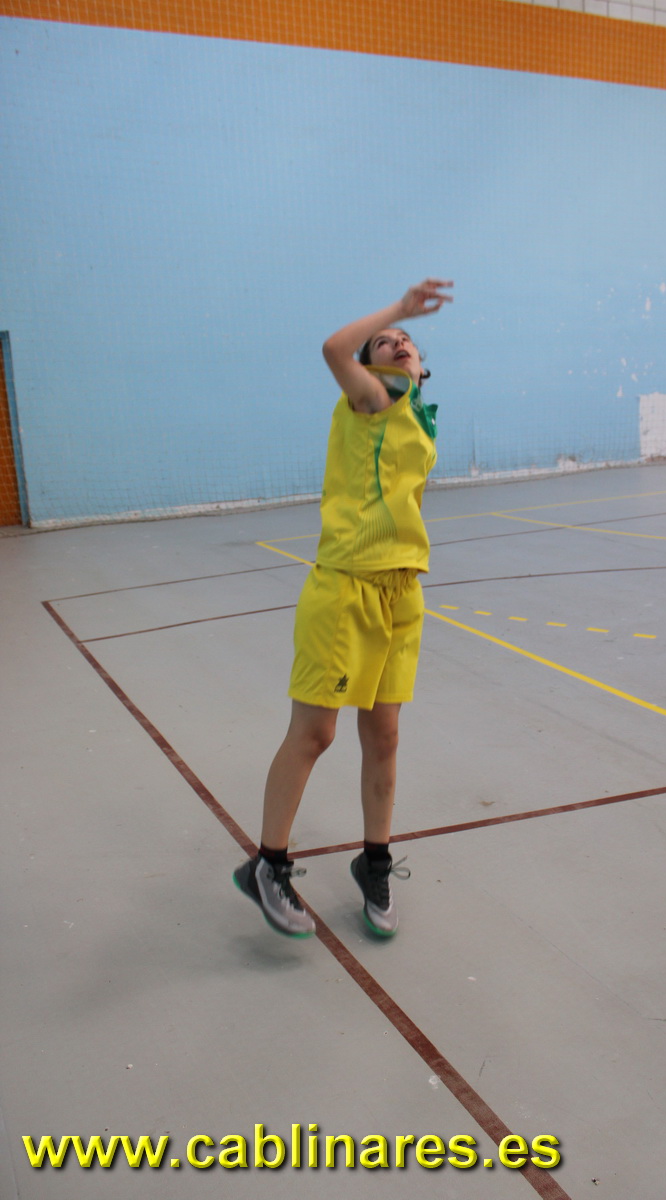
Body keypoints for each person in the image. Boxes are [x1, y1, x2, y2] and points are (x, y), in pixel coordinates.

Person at [234, 279, 453, 939]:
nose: (398, 342)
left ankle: (374, 863)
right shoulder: (369, 400)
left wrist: (398, 332)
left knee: (384, 736)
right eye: (383, 342)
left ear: (421, 367)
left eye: (406, 339)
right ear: (370, 366)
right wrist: (399, 308)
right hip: (345, 589)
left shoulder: (417, 414)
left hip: (401, 593)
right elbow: (334, 348)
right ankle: (267, 864)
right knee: (316, 733)